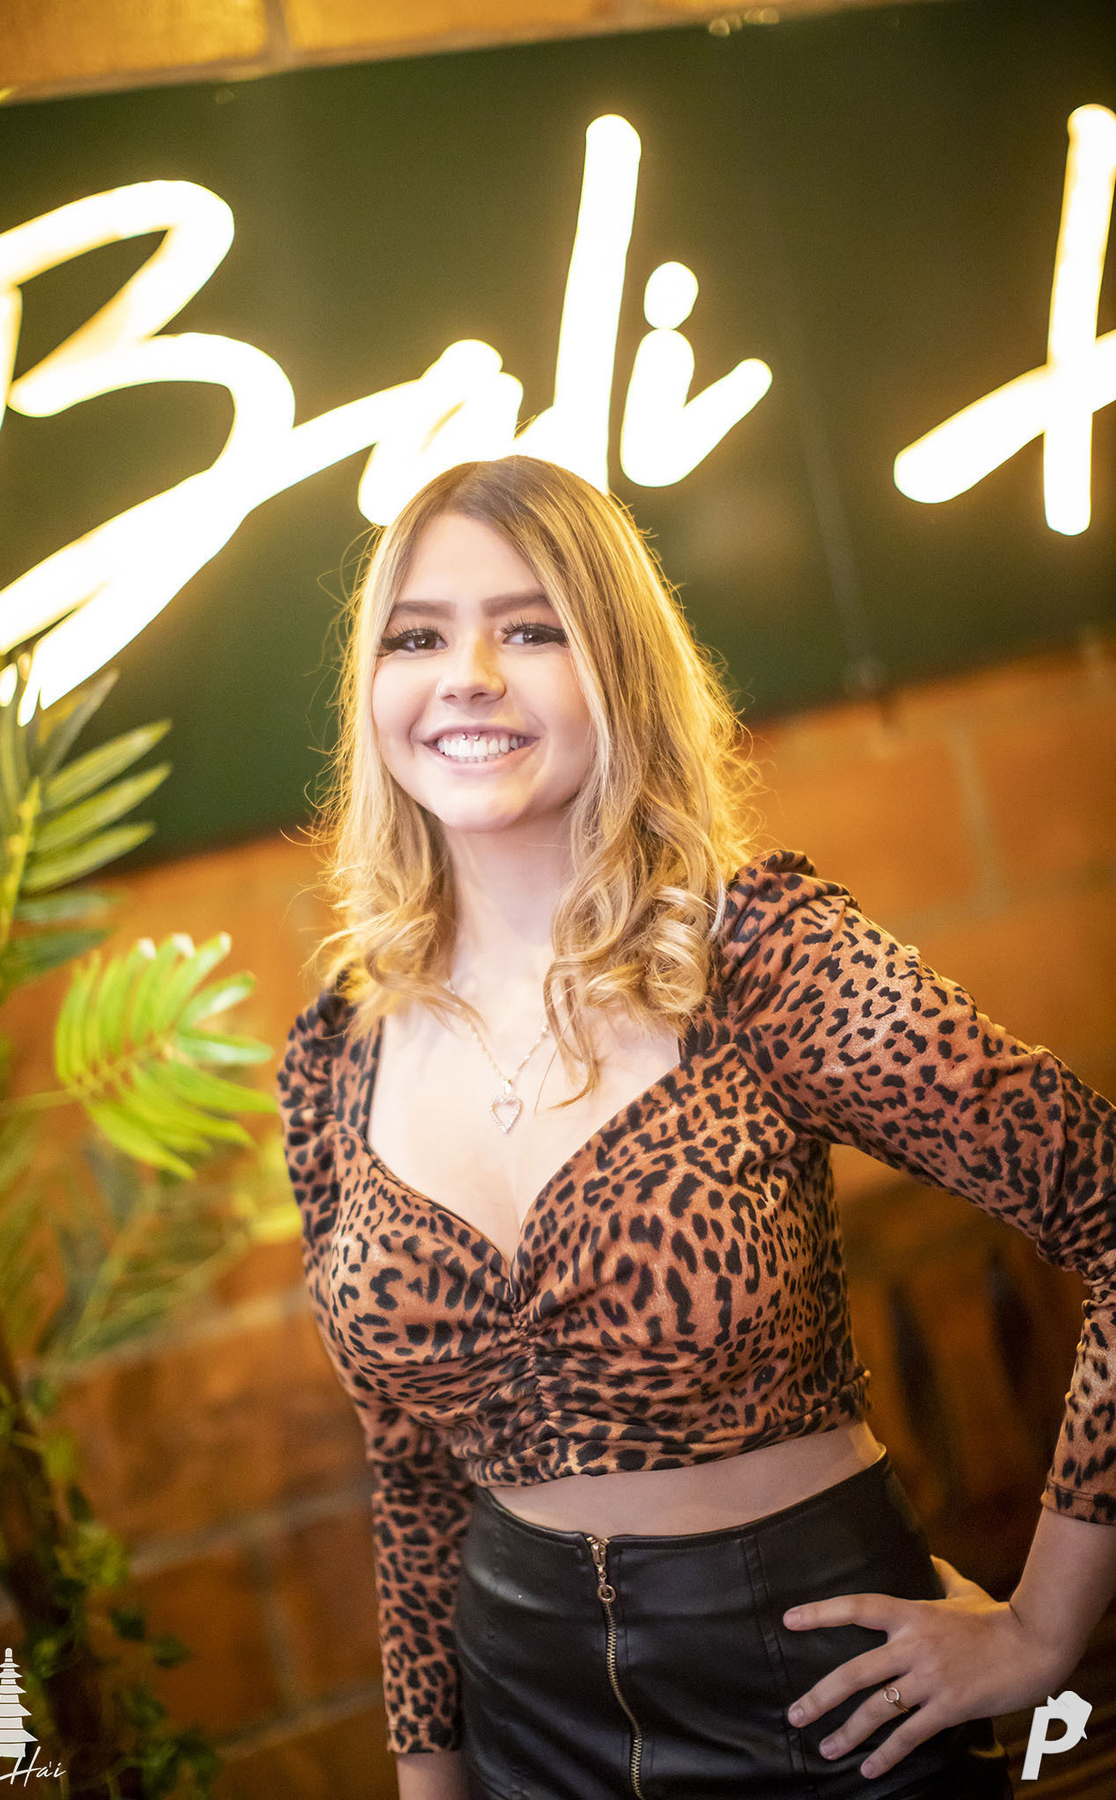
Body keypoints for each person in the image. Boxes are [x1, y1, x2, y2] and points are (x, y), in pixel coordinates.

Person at [276, 455, 1116, 1800]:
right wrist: (432, 1783)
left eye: (532, 628)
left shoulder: (762, 956)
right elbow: (414, 1481)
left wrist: (1042, 1630)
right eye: (416, 637)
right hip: (522, 1717)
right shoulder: (336, 1052)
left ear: (620, 667)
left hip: (820, 1703)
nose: (467, 675)